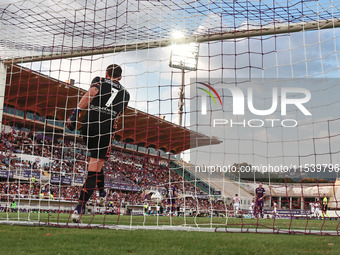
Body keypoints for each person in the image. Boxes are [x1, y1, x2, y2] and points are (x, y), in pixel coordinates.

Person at [67, 64, 130, 223]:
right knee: (94, 170)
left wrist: (74, 116)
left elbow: (91, 94)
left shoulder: (99, 80)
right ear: (120, 77)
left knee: (95, 160)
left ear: (107, 73)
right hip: (106, 131)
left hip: (88, 126)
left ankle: (102, 192)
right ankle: (78, 210)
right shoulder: (126, 94)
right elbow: (119, 113)